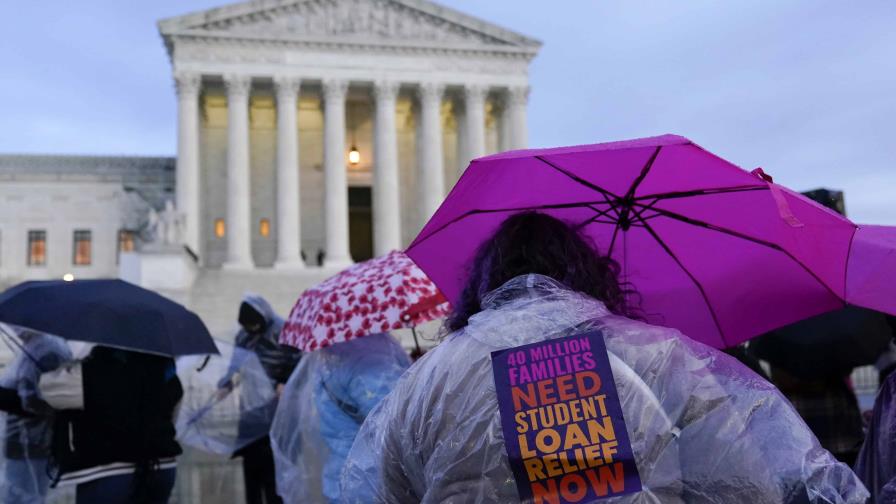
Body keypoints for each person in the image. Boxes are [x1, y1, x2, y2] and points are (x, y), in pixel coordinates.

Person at [341, 212, 868, 503]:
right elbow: (750, 488)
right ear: (585, 272)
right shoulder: (655, 357)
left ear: (483, 282)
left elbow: (380, 490)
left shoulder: (426, 381)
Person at [271, 332, 410, 503]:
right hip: (371, 479)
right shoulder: (369, 356)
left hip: (341, 475)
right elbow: (394, 421)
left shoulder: (329, 353)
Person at [50, 345, 183, 504]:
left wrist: (68, 366)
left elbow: (47, 394)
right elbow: (172, 418)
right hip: (161, 468)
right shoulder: (167, 373)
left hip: (107, 471)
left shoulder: (89, 371)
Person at [218, 294, 300, 504]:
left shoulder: (284, 331)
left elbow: (300, 363)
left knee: (273, 467)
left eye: (255, 325)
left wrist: (285, 381)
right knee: (251, 465)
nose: (252, 330)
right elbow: (236, 363)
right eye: (248, 327)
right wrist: (226, 383)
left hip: (277, 407)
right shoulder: (244, 336)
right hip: (251, 408)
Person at [0, 331, 71, 504]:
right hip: (23, 443)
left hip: (32, 445)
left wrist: (4, 397)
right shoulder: (35, 345)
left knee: (23, 499)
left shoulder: (48, 350)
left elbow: (41, 403)